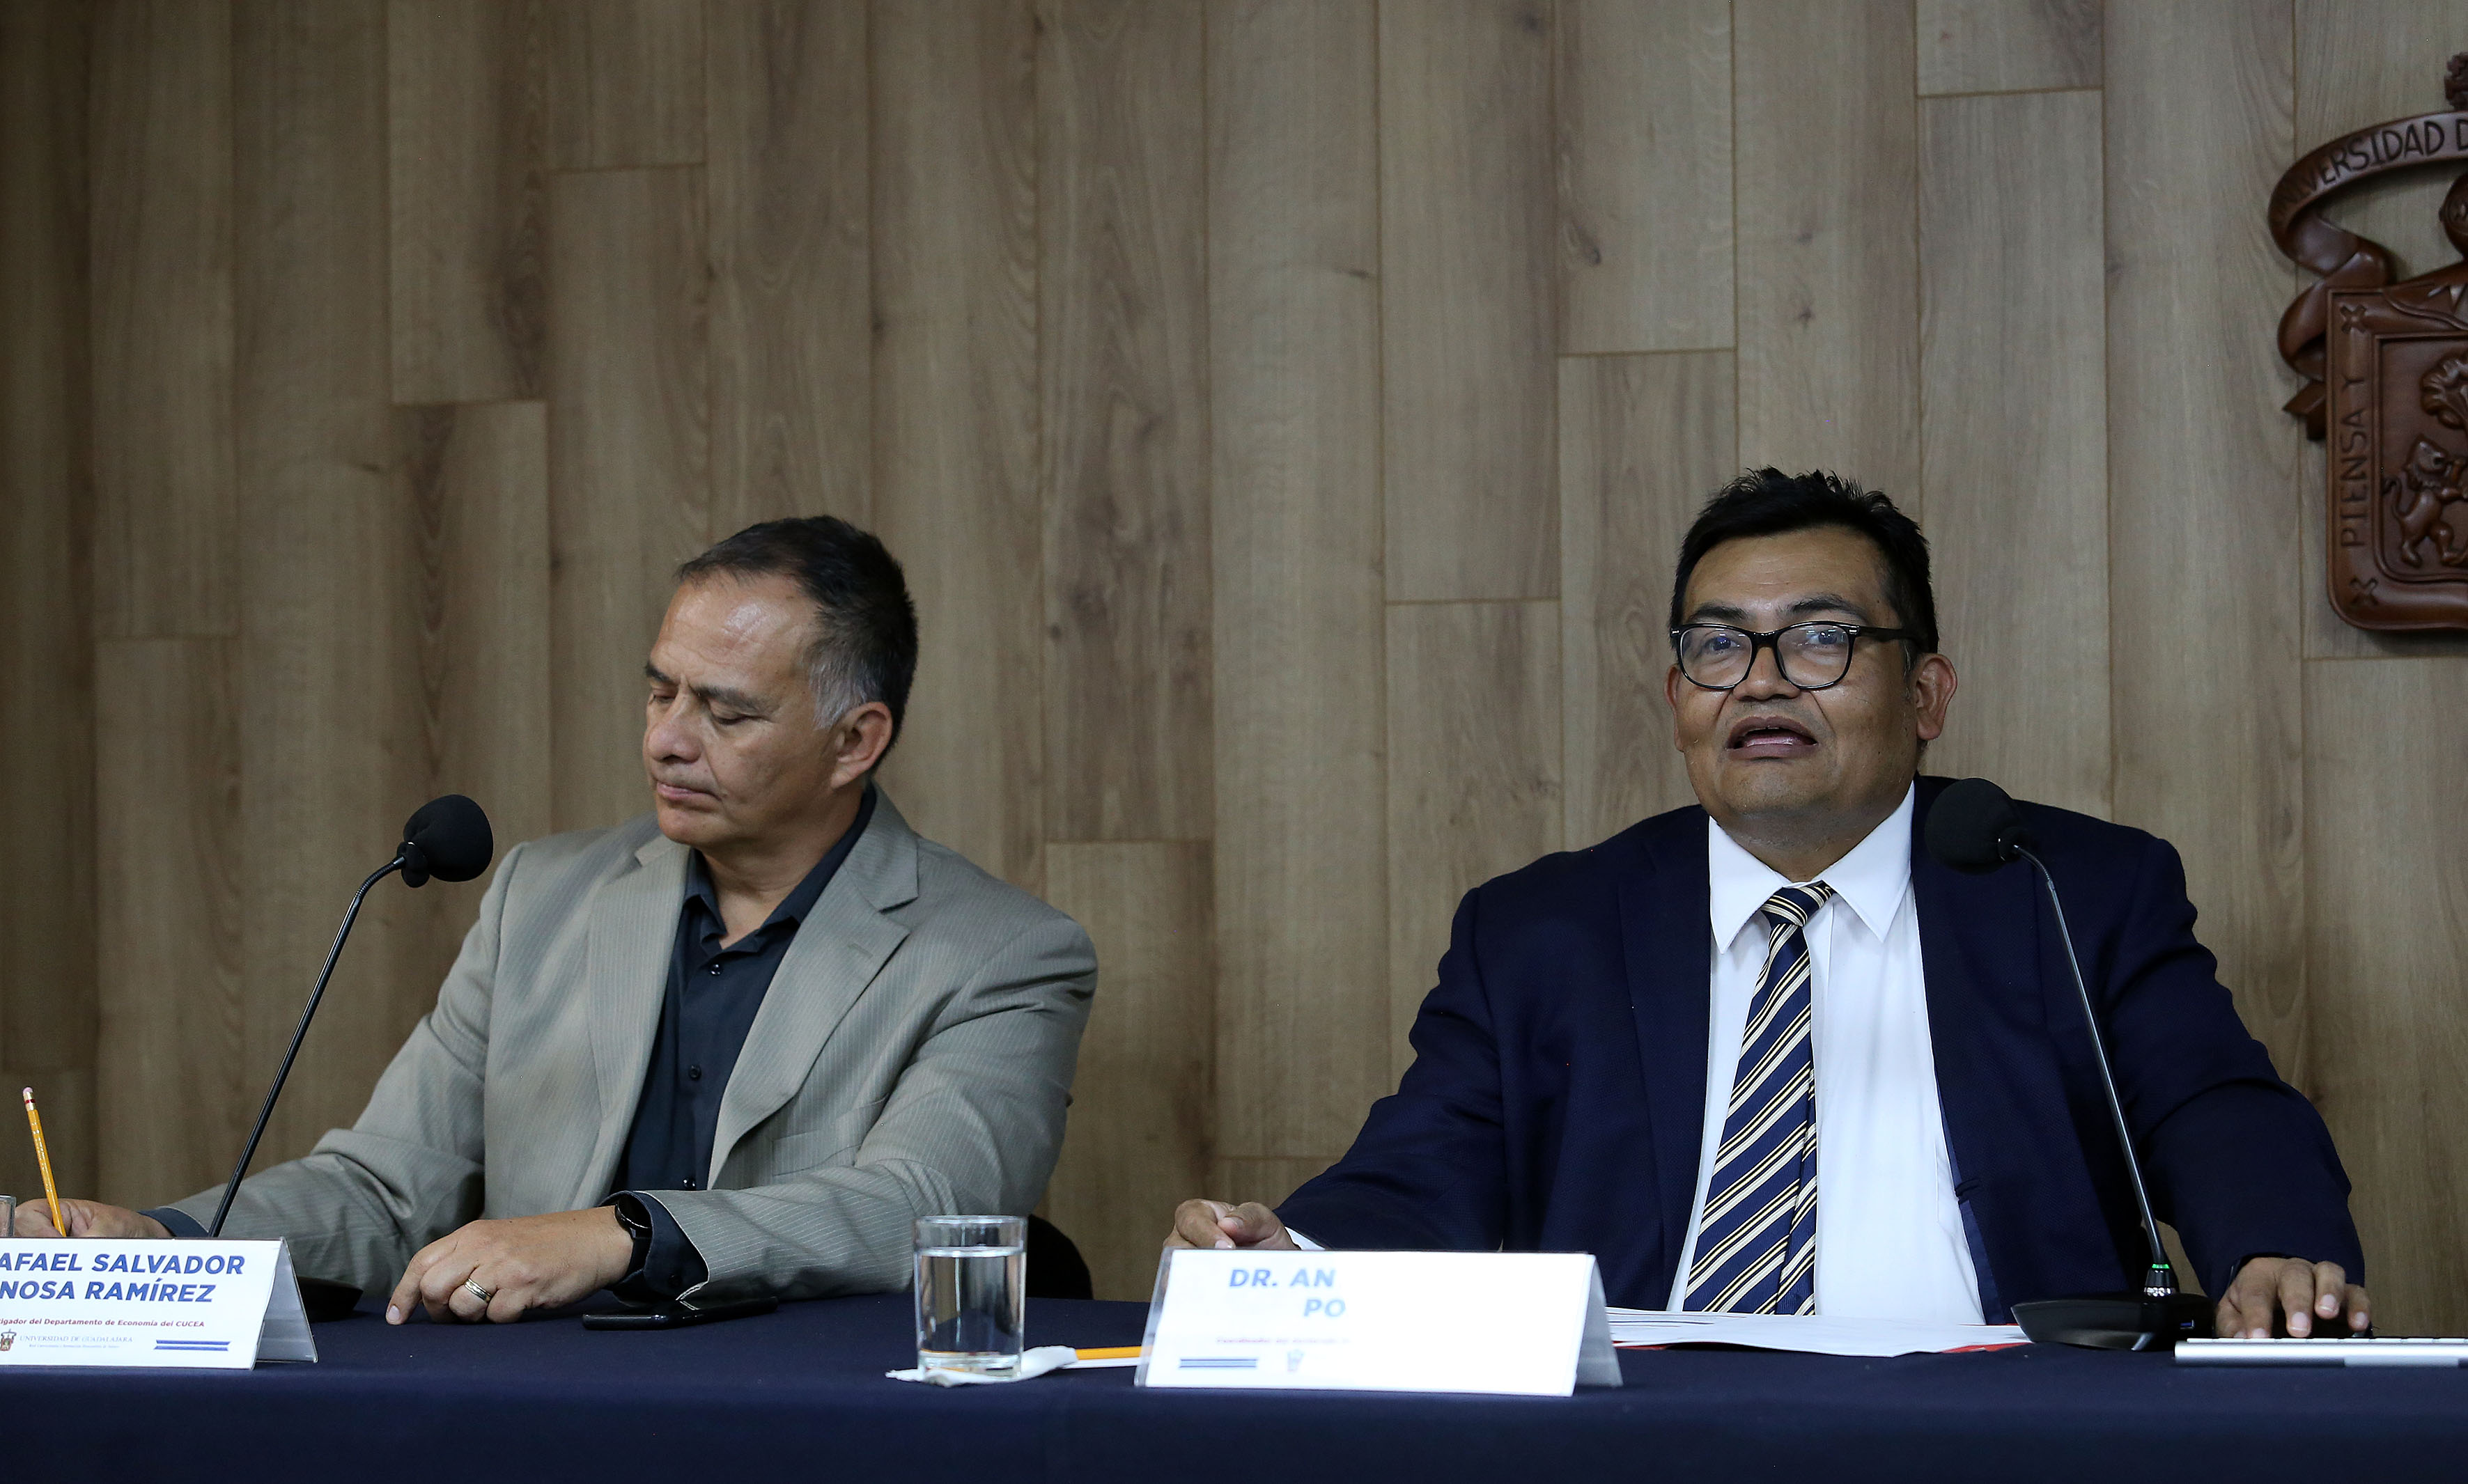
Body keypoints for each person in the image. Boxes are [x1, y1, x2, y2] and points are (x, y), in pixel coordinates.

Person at [1169, 469, 2368, 1342]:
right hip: (1644, 1438)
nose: (1760, 683)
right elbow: (1426, 1165)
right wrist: (1286, 1259)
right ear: (1679, 697)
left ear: (1927, 693)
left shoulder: (2064, 888)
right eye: (1718, 647)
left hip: (2007, 1423)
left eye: (1820, 640)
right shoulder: (1544, 930)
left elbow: (2212, 1104)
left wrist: (2271, 1248)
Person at [18, 517, 1097, 1325]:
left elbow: (918, 1209)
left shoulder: (1000, 954)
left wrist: (621, 1236)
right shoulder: (543, 897)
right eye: (660, 693)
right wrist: (166, 1243)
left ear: (856, 740)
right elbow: (386, 1190)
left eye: (725, 712)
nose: (669, 739)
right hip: (530, 1412)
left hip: (805, 1424)